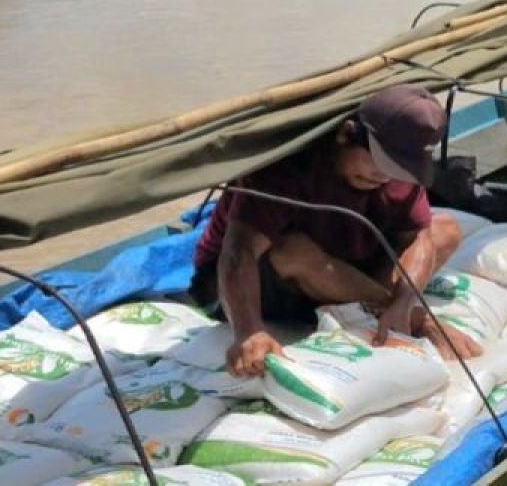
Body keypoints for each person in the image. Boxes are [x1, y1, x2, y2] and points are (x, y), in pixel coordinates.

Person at [190, 84, 482, 378]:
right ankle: (390, 309)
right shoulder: (287, 166)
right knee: (292, 250)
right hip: (251, 279)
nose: (384, 176)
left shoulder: (397, 173)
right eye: (379, 163)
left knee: (443, 229)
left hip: (343, 258)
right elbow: (239, 253)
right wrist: (248, 331)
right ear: (346, 134)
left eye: (397, 168)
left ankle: (384, 306)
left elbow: (418, 236)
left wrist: (404, 303)